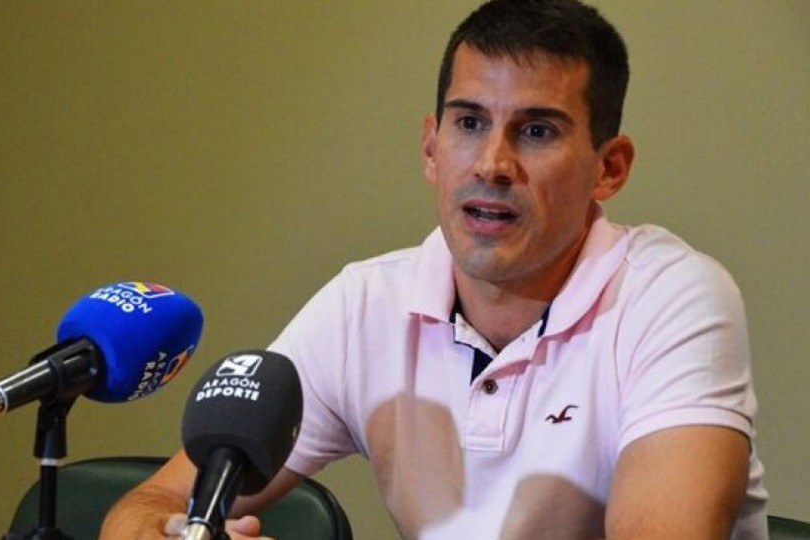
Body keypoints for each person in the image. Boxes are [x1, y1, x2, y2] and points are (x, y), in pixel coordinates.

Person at [101, 0, 768, 538]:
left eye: (536, 131)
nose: (492, 164)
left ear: (610, 167)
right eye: (470, 122)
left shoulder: (673, 296)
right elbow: (158, 496)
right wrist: (152, 531)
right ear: (430, 147)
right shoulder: (366, 303)